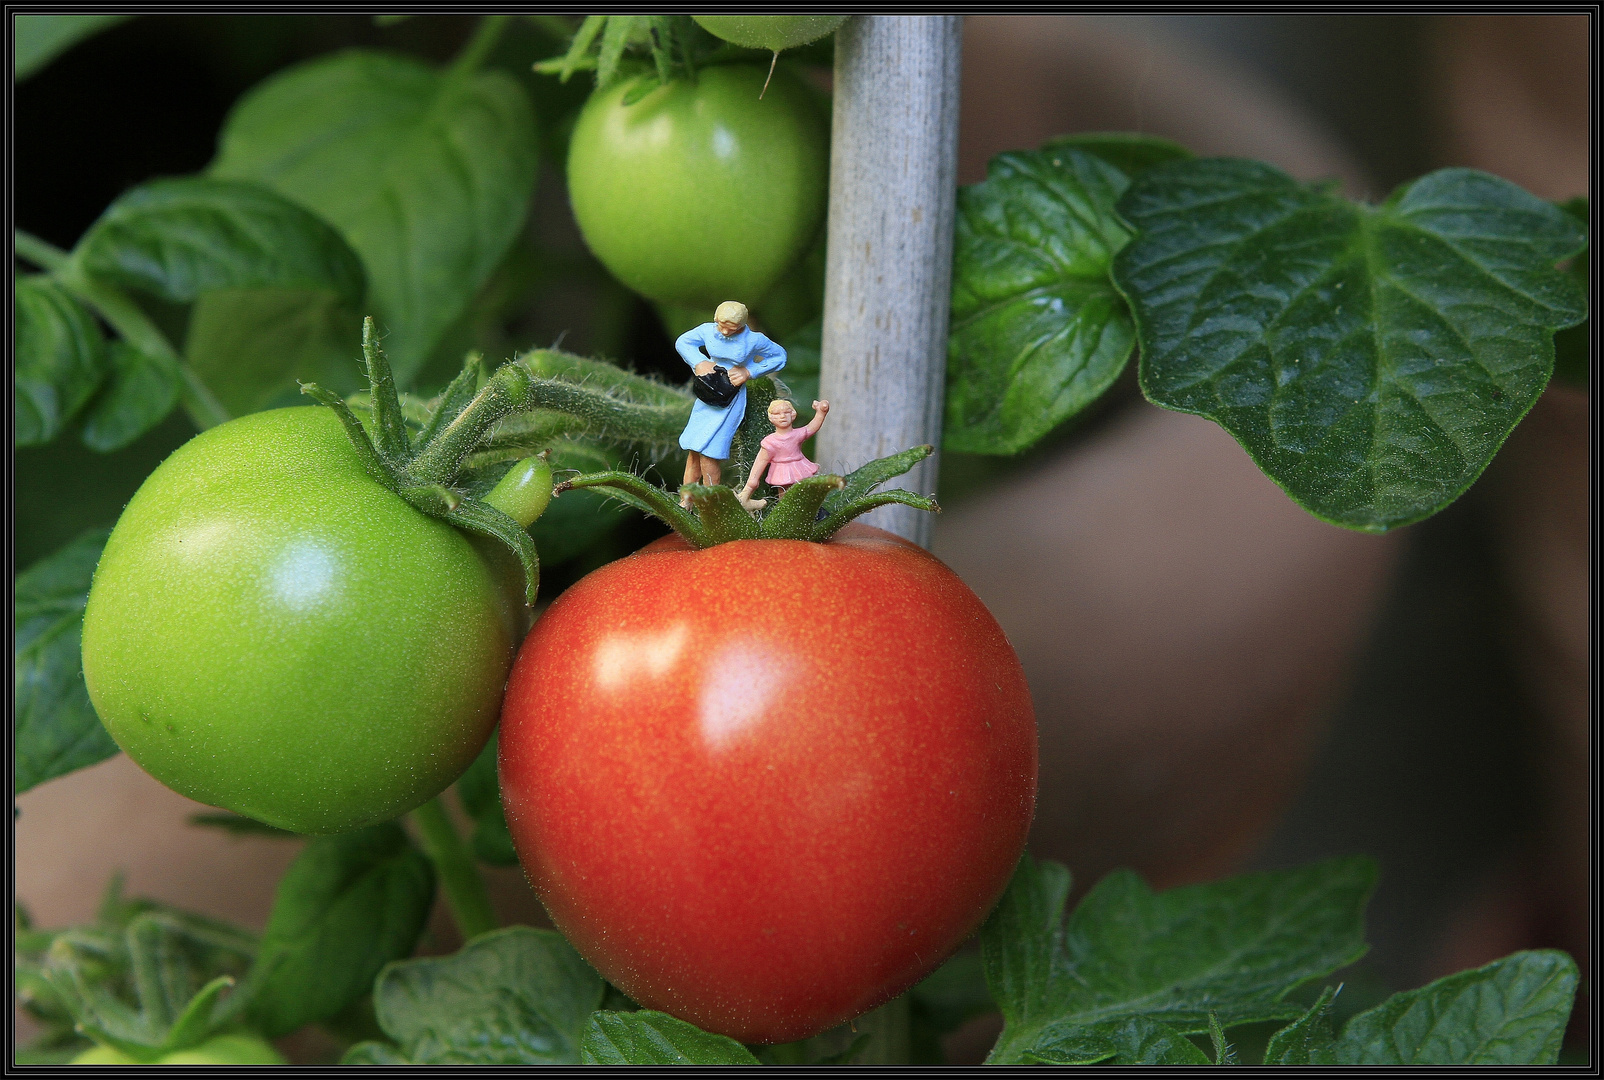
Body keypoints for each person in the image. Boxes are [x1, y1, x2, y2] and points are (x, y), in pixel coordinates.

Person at [674, 301, 787, 507]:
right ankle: (686, 499)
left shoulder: (753, 340)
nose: (725, 331)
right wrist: (699, 362)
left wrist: (748, 371)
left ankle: (711, 501)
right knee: (693, 450)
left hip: (730, 396)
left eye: (731, 328)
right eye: (721, 325)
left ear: (742, 325)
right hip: (708, 392)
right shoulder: (708, 331)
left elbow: (779, 356)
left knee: (710, 453)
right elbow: (683, 342)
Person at [736, 398, 829, 511]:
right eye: (777, 414)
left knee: (807, 489)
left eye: (786, 412)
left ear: (793, 414)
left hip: (799, 466)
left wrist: (821, 412)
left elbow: (811, 427)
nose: (782, 416)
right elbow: (761, 461)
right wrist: (751, 483)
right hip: (782, 470)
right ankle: (788, 513)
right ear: (771, 417)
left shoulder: (797, 434)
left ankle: (814, 511)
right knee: (785, 495)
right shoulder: (770, 441)